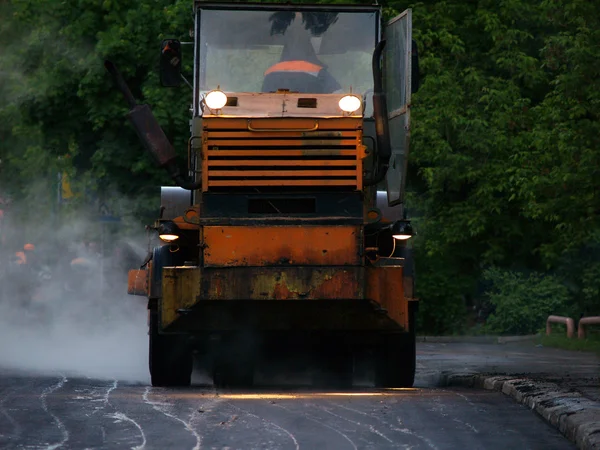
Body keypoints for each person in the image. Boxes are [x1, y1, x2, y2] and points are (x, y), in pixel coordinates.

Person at [262, 17, 341, 94]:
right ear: (309, 50)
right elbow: (338, 97)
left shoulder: (271, 73)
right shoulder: (319, 73)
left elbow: (262, 100)